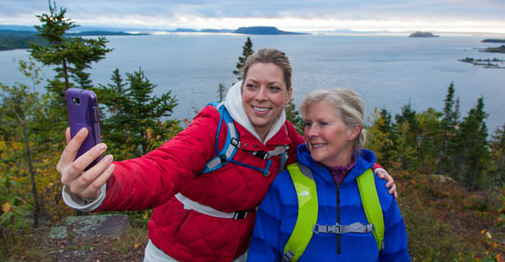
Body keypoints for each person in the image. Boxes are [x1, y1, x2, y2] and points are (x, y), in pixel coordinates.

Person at [56, 48, 396, 262]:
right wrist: (97, 185)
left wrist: (372, 170)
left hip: (238, 253)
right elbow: (160, 170)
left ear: (288, 94)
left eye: (273, 88)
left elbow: (330, 154)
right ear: (241, 86)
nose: (260, 97)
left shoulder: (287, 140)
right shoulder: (214, 127)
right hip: (177, 252)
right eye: (252, 85)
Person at [247, 88, 410, 261]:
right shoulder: (285, 186)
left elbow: (397, 255)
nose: (310, 133)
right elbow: (261, 253)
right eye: (308, 123)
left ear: (353, 131)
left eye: (323, 123)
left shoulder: (380, 188)